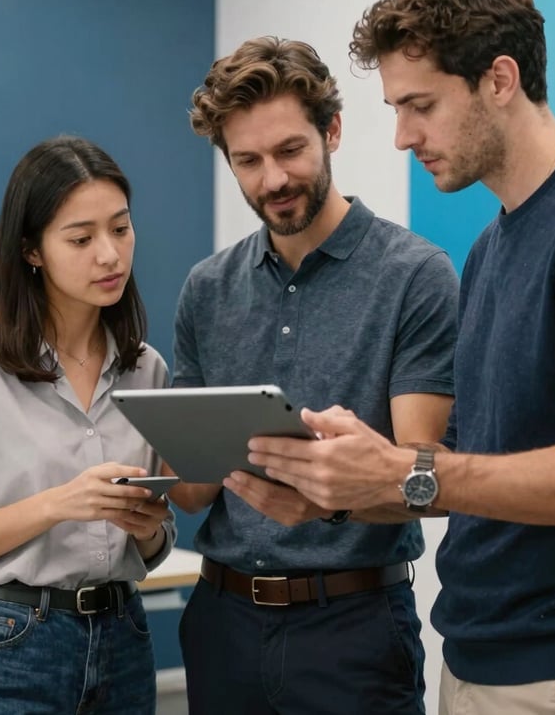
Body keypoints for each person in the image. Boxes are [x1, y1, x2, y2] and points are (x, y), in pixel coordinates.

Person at [246, 0, 555, 715]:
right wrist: (345, 488)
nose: (404, 136)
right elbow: (468, 457)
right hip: (476, 660)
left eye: (420, 106)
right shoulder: (490, 247)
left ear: (500, 79)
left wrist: (406, 472)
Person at [167, 36, 459, 714]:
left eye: (290, 150)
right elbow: (189, 494)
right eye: (248, 161)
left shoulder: (415, 277)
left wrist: (335, 491)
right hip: (222, 621)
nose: (272, 180)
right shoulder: (205, 289)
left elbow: (429, 473)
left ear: (331, 132)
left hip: (352, 629)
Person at [0, 135, 176, 715]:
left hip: (124, 635)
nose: (109, 255)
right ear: (32, 250)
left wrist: (147, 526)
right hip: (10, 640)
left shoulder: (147, 367)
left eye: (121, 229)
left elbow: (152, 547)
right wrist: (61, 503)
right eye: (81, 239)